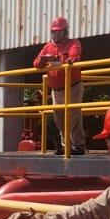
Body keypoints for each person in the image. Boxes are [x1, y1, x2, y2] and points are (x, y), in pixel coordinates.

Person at [33, 16, 85, 155]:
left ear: (65, 32)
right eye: (54, 32)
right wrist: (42, 62)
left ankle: (78, 145)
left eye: (58, 31)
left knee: (74, 115)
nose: (55, 34)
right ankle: (66, 145)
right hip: (56, 89)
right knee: (59, 117)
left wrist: (70, 60)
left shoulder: (73, 43)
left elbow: (75, 55)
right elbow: (36, 63)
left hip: (72, 86)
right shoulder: (48, 47)